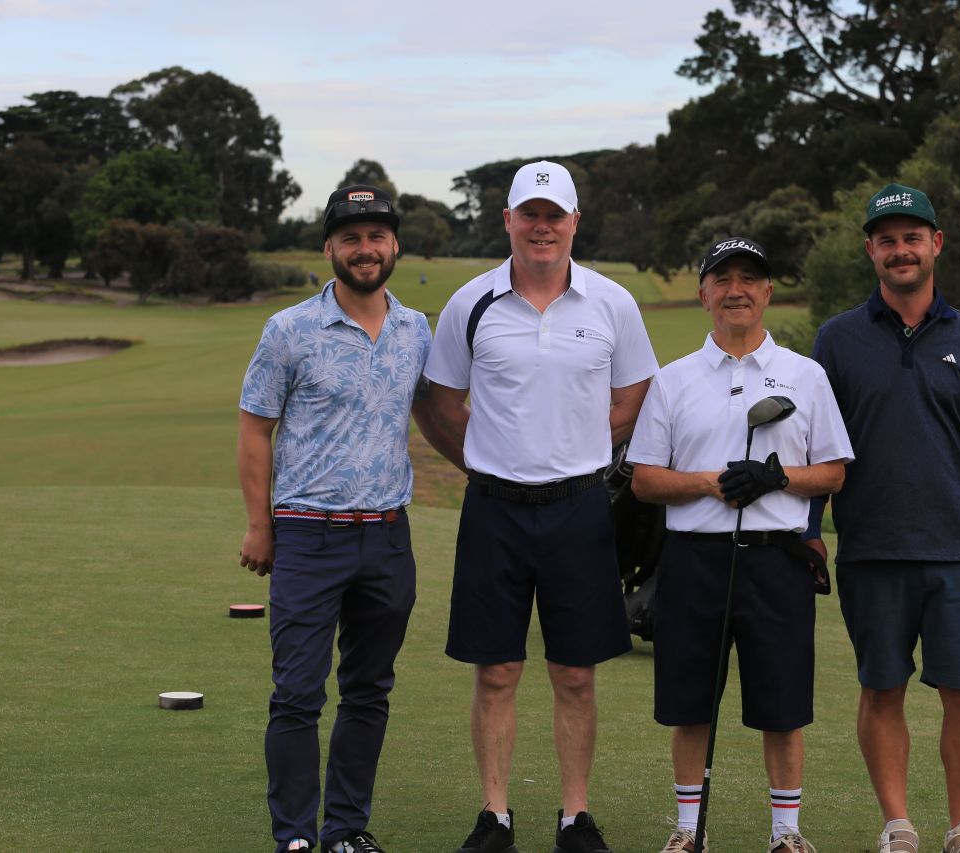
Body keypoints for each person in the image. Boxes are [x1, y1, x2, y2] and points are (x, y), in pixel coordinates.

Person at [423, 160, 659, 853]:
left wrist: (575, 443)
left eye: (555, 215)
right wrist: (491, 457)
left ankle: (574, 816)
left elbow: (632, 397)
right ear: (508, 221)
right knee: (495, 669)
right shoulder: (473, 303)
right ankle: (494, 815)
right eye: (529, 213)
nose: (542, 226)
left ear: (574, 222)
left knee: (575, 672)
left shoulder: (612, 303)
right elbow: (441, 405)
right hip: (494, 508)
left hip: (581, 508)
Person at [806, 184, 960, 853]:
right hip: (871, 546)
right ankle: (897, 823)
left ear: (936, 244)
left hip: (957, 545)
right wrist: (809, 527)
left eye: (912, 237)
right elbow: (818, 442)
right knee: (882, 688)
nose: (900, 250)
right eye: (886, 239)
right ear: (870, 250)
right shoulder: (838, 339)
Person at [238, 183, 450, 853]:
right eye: (351, 237)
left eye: (377, 235)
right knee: (298, 692)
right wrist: (260, 524)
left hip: (388, 535)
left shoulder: (418, 329)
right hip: (307, 531)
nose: (366, 248)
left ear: (395, 245)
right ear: (329, 247)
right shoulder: (290, 330)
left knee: (368, 690)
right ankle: (296, 837)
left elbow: (436, 413)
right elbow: (253, 429)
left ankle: (345, 831)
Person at [627, 237, 853, 853]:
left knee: (782, 705)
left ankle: (785, 834)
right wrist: (710, 481)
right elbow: (645, 478)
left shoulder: (806, 376)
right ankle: (686, 830)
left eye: (749, 279)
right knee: (690, 703)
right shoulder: (673, 382)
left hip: (778, 558)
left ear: (767, 292)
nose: (736, 290)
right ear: (703, 294)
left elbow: (833, 470)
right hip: (694, 561)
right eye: (721, 278)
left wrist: (777, 477)